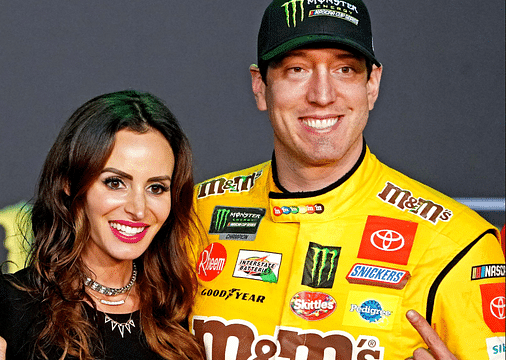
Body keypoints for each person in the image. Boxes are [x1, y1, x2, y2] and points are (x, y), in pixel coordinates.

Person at [189, 1, 505, 360]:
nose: (322, 95)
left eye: (345, 69)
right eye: (296, 69)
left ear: (372, 85)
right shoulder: (196, 213)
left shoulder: (457, 243)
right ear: (260, 86)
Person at [0, 90, 205, 360]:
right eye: (115, 183)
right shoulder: (10, 308)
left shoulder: (180, 308)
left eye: (156, 187)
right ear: (70, 184)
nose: (138, 209)